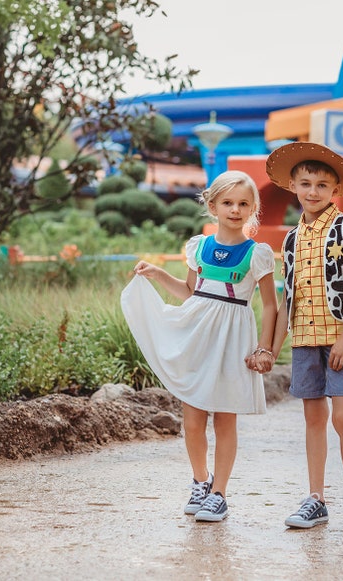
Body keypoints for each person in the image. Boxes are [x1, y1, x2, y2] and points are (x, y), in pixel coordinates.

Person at [121, 170, 278, 522]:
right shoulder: (199, 246)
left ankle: (219, 493)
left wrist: (264, 347)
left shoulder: (257, 254)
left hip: (233, 341)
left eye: (243, 204)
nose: (235, 210)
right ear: (212, 206)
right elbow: (191, 292)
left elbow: (270, 305)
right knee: (192, 421)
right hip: (197, 336)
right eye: (227, 203)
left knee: (225, 420)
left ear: (253, 208)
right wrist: (159, 274)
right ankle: (200, 481)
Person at [263, 141, 343, 532]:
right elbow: (286, 299)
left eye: (322, 185)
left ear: (334, 190)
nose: (313, 192)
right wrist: (270, 350)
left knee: (342, 417)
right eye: (306, 184)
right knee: (313, 418)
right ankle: (316, 499)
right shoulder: (291, 239)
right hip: (305, 341)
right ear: (293, 186)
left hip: (341, 338)